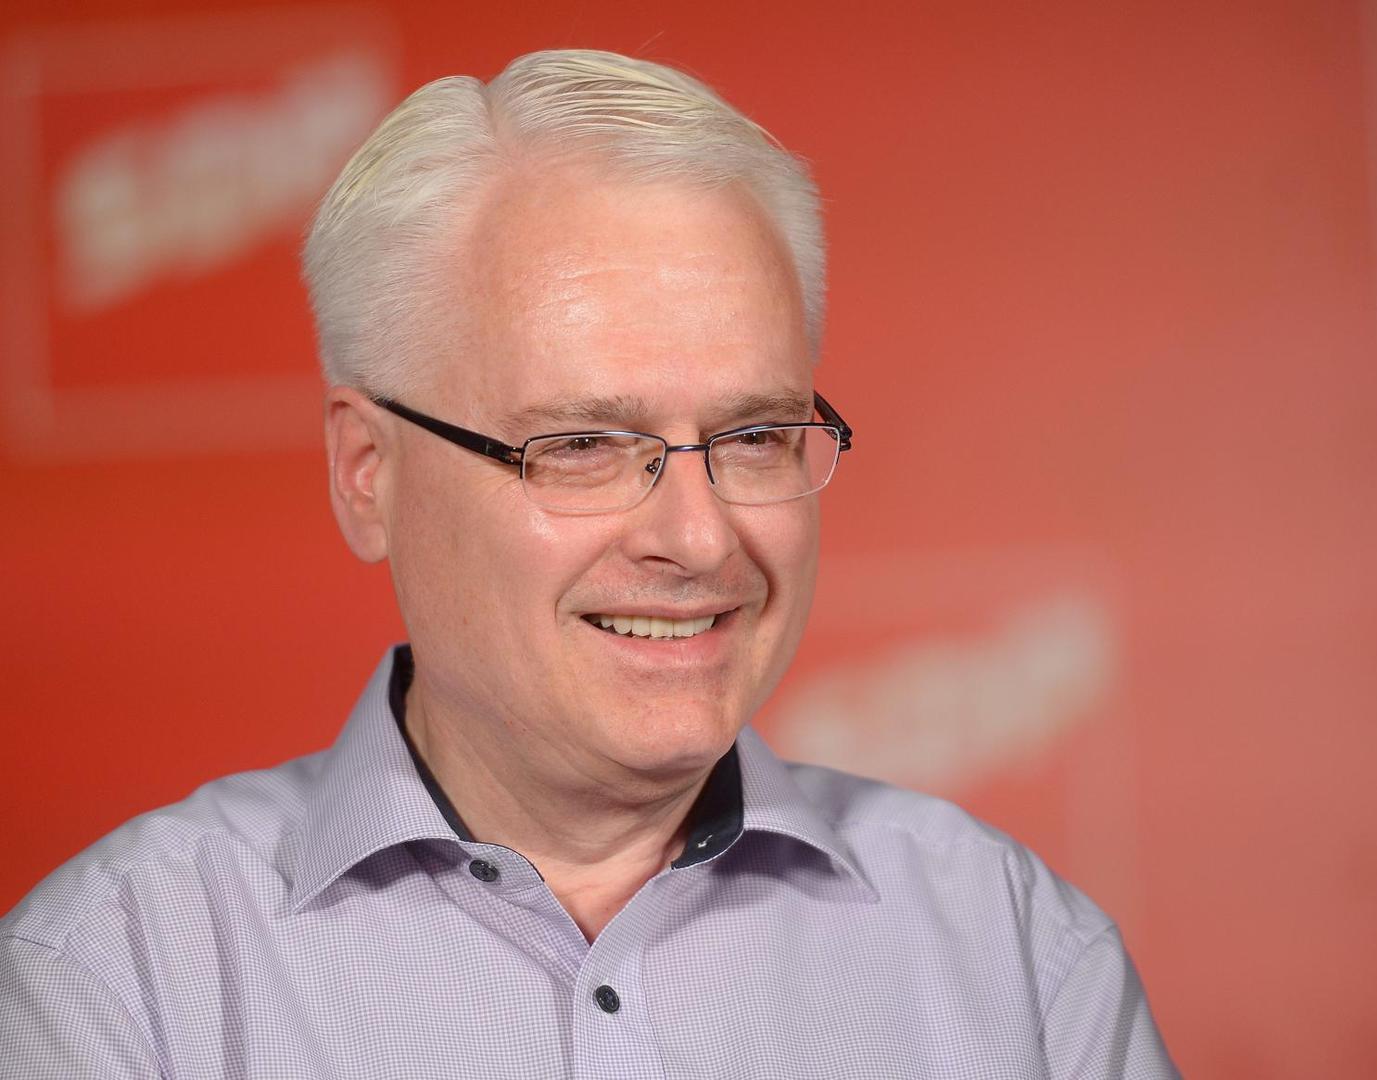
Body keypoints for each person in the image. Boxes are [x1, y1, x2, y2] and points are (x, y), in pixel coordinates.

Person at [0, 50, 1177, 1078]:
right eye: (580, 447)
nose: (699, 538)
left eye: (754, 438)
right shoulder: (119, 985)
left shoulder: (1017, 958)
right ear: (368, 474)